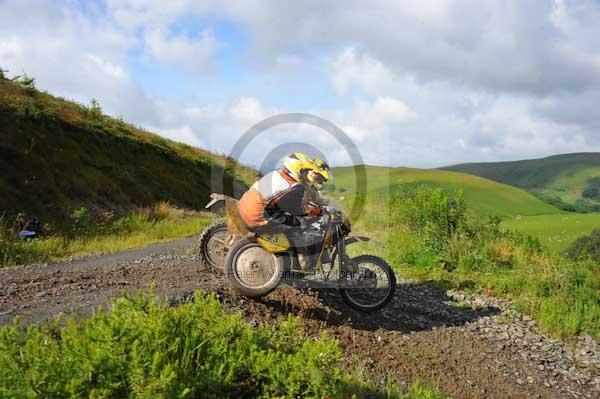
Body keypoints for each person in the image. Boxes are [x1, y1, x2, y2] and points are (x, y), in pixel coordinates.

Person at [237, 152, 332, 271]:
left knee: (294, 220)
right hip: (257, 216)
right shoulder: (292, 186)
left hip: (246, 205)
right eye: (304, 170)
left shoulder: (279, 174)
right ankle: (297, 264)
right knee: (301, 226)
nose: (305, 173)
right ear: (297, 169)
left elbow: (291, 202)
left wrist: (320, 204)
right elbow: (299, 210)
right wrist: (318, 212)